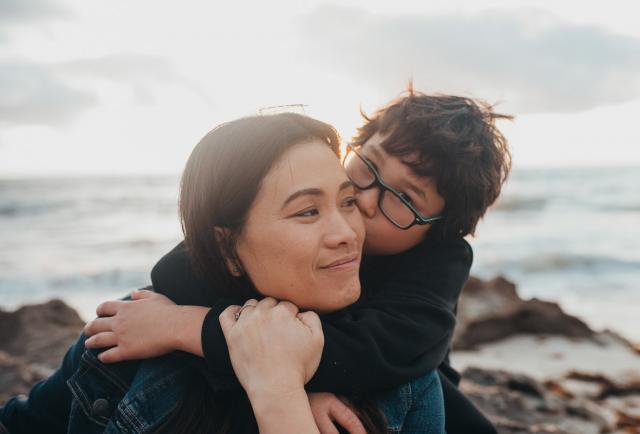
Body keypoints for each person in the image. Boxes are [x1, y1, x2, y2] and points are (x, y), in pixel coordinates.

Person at [86, 87, 511, 433]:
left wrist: (182, 326)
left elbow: (371, 354)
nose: (363, 199)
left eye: (401, 199)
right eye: (367, 166)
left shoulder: (437, 264)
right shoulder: (296, 232)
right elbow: (180, 269)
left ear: (436, 229)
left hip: (415, 384)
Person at [2, 113, 438, 433]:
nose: (347, 232)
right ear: (227, 247)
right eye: (308, 211)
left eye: (346, 202)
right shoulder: (130, 336)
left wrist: (280, 390)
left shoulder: (404, 383)